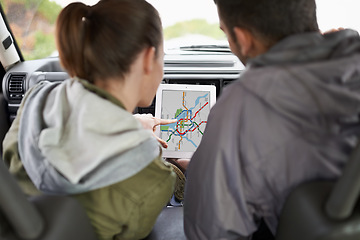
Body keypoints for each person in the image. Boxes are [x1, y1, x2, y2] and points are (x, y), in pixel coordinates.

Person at [184, 0, 360, 239]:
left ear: (243, 39)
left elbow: (210, 231)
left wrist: (199, 170)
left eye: (226, 33)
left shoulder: (242, 106)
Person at [2, 0, 177, 239]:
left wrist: (130, 127)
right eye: (162, 57)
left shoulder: (34, 103)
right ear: (148, 58)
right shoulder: (153, 177)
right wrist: (179, 168)